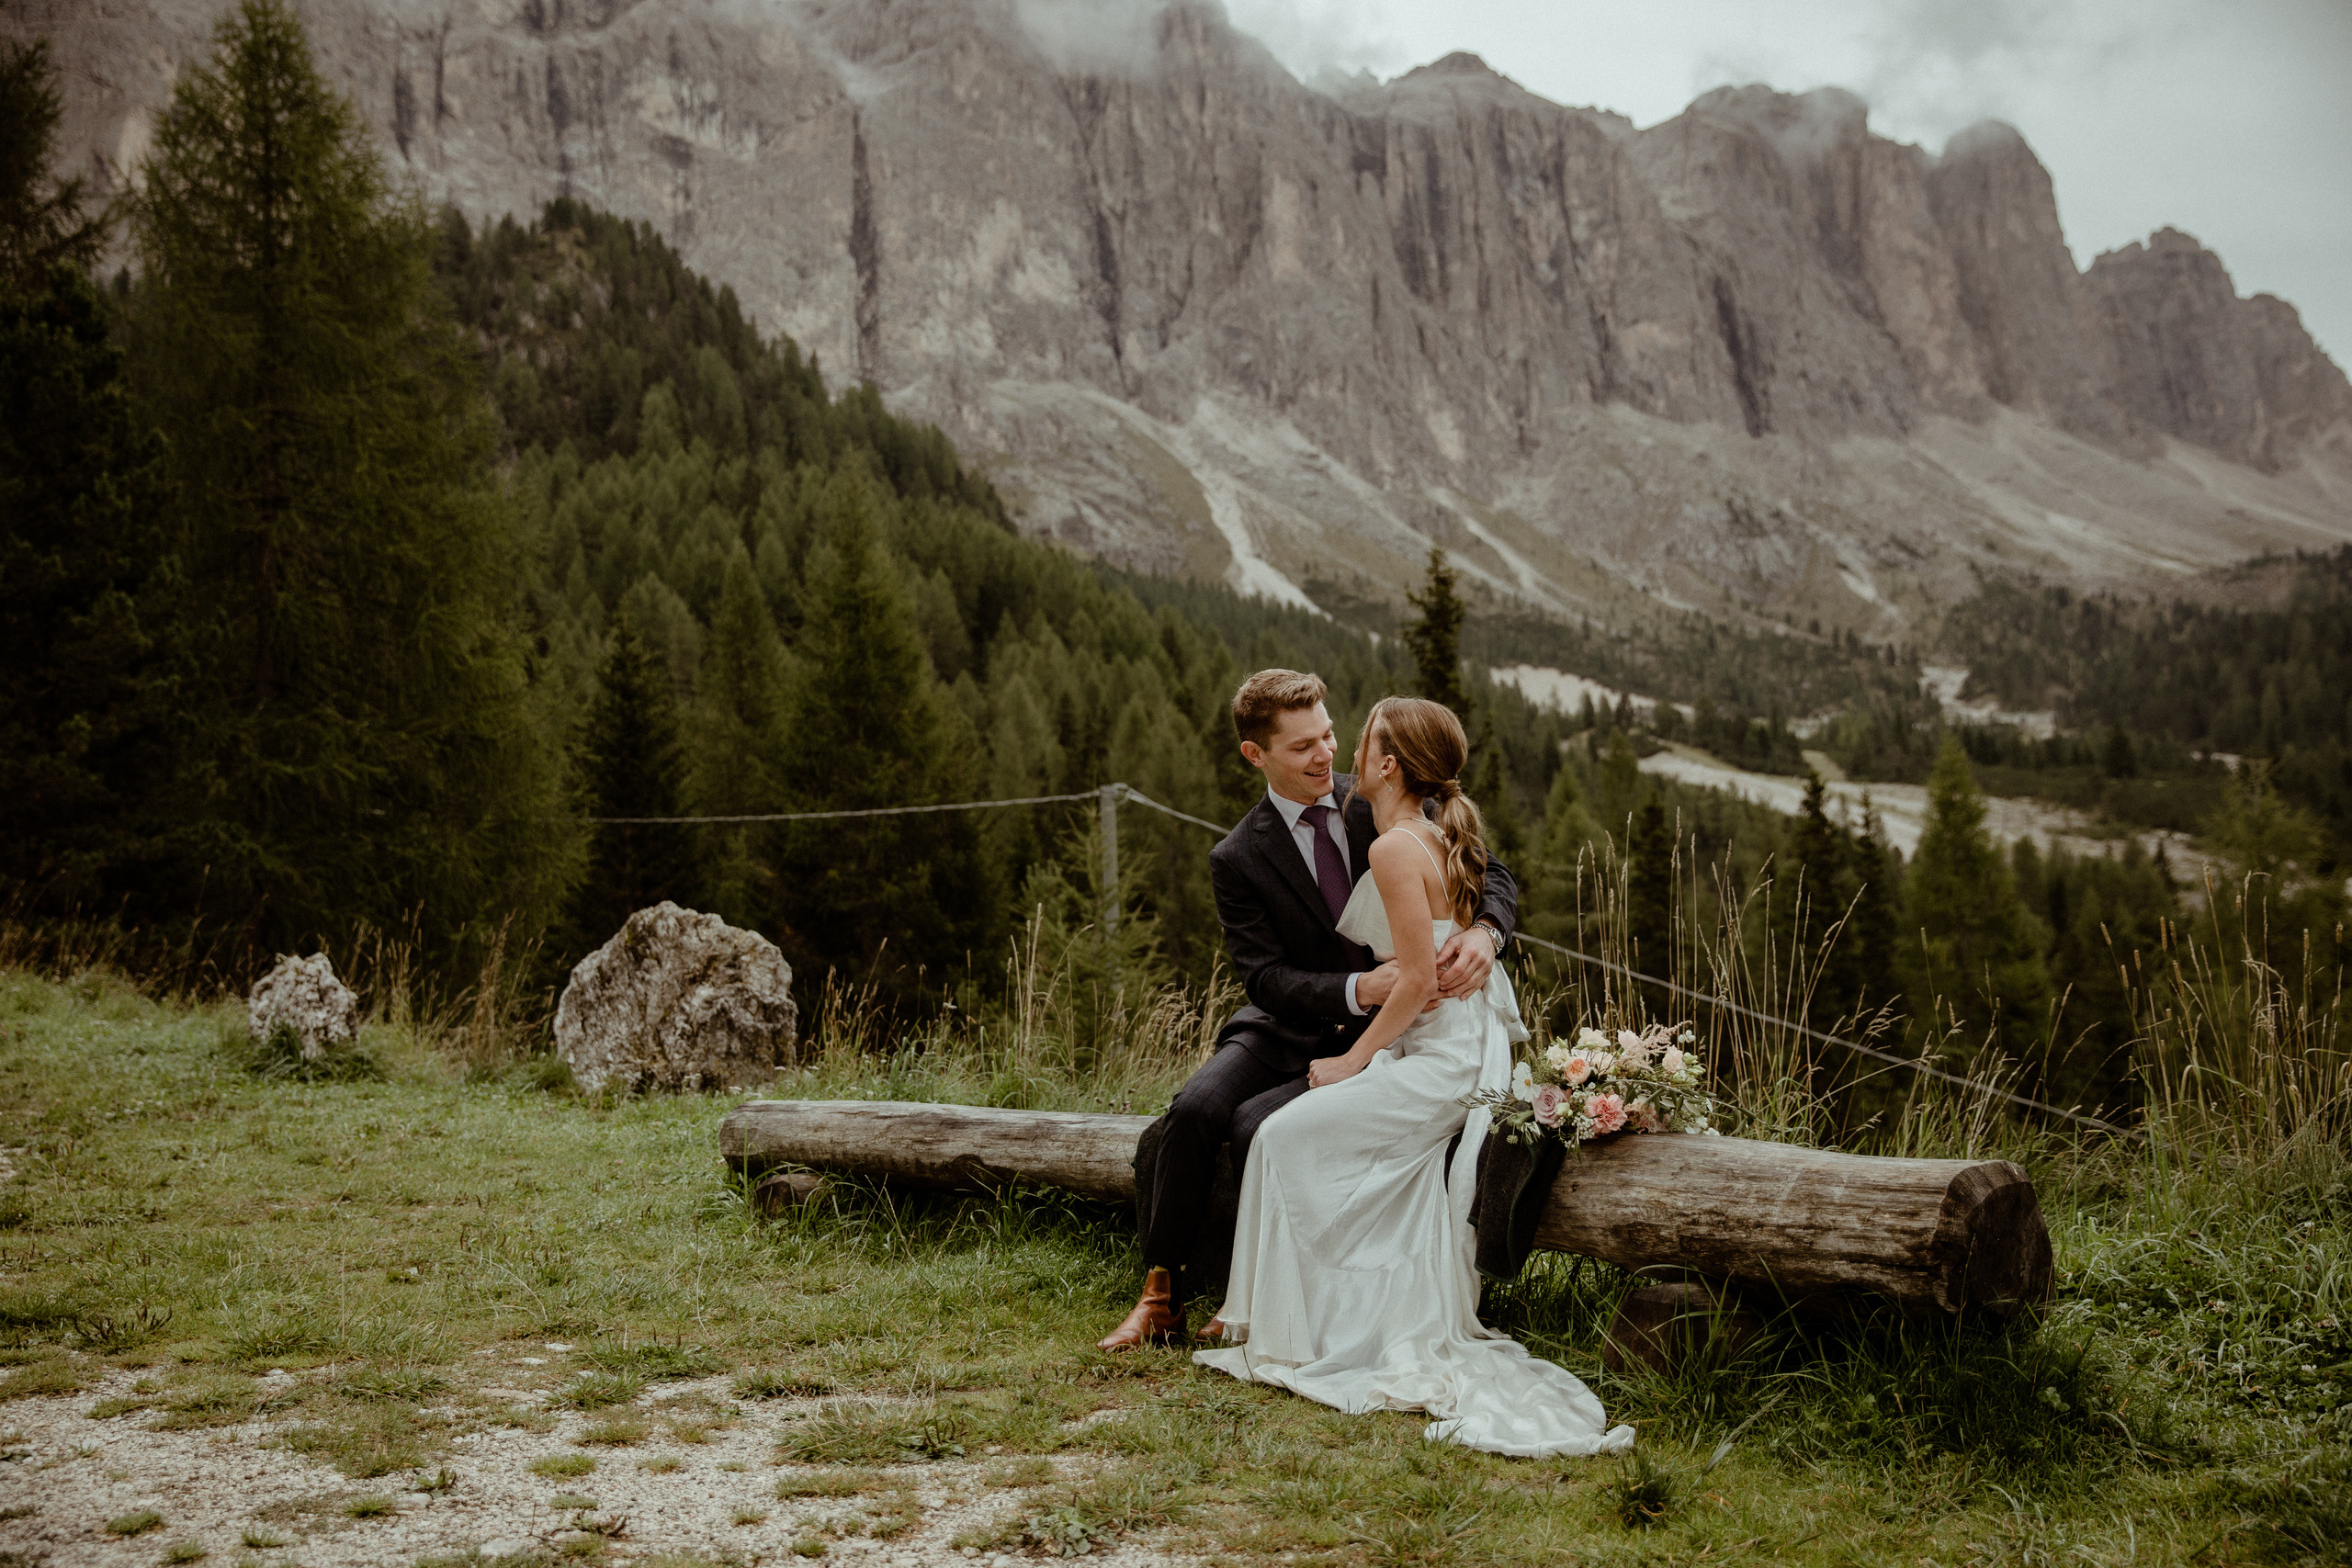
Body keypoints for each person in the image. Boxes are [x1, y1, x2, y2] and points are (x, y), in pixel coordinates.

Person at [1193, 694, 1634, 1458]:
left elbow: (1417, 979)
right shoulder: (1430, 827)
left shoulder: (1394, 847)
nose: (1340, 753)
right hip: (1454, 1046)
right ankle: (1318, 1314)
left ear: (1389, 763)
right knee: (1287, 1139)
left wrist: (1349, 1061)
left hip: (1439, 1057)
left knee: (1277, 1139)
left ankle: (1291, 1328)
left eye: (1351, 739)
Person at [1098, 670, 1516, 1352]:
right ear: (1255, 755)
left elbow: (1487, 870)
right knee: (1196, 1109)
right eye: (1303, 747)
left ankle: (1266, 1297)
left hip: (1392, 1033)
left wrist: (1484, 934)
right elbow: (1263, 977)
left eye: (1328, 735)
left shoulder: (1380, 799)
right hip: (1291, 1023)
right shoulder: (1236, 855)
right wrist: (1358, 990)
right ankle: (1160, 1292)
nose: (1325, 754)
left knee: (1257, 1126)